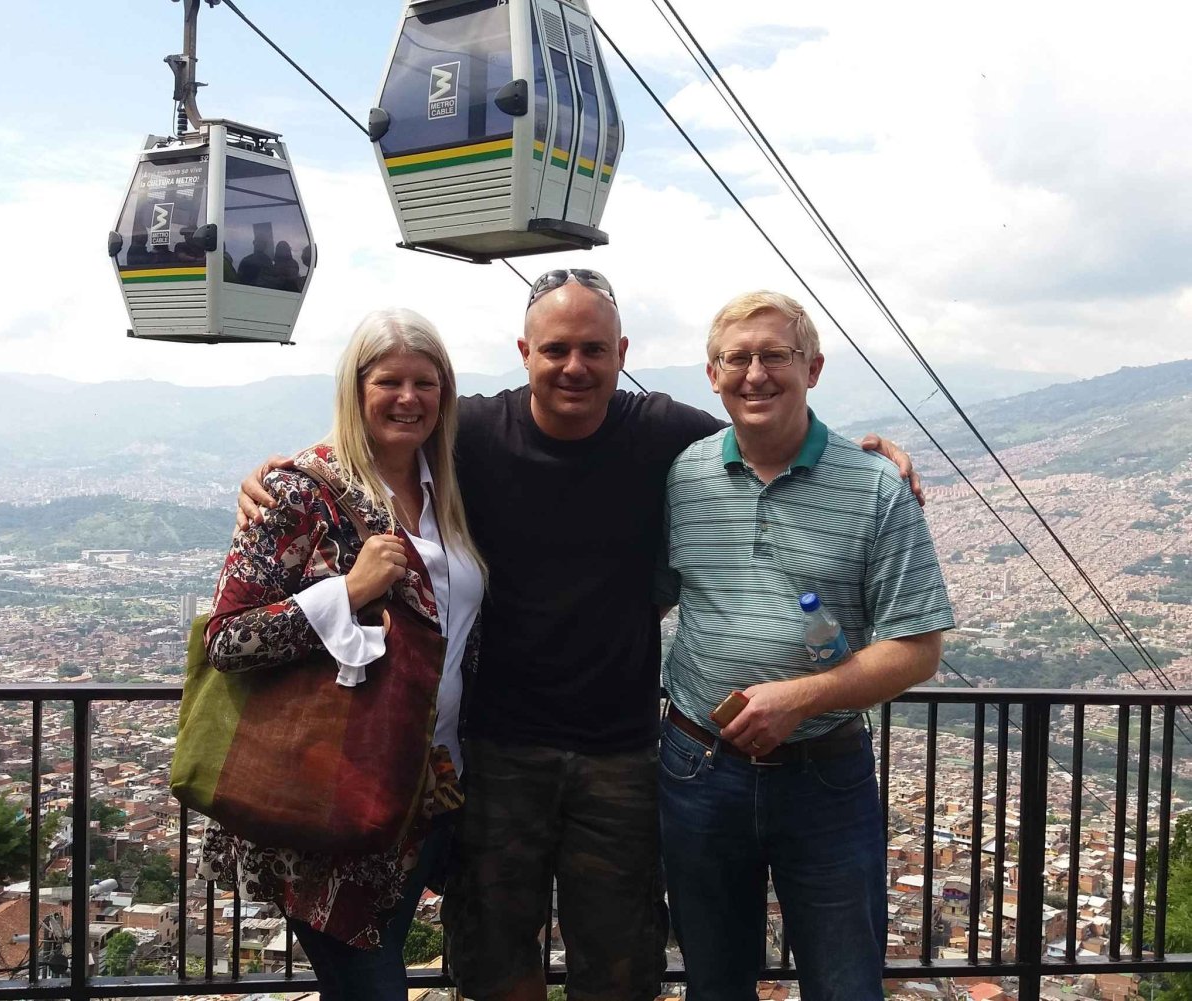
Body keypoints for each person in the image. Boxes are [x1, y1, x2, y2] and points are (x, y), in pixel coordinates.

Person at [236, 270, 921, 1001]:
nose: (575, 366)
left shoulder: (661, 432)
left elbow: (765, 430)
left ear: (621, 351)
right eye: (556, 348)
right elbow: (378, 433)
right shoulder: (471, 429)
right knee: (497, 958)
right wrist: (280, 474)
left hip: (621, 754)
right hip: (497, 750)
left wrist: (865, 457)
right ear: (525, 351)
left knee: (621, 965)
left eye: (593, 348)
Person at [656, 291, 955, 1001]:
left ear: (813, 368)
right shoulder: (682, 475)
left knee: (846, 983)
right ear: (712, 374)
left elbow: (917, 646)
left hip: (824, 771)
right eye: (737, 358)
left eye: (775, 356)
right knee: (712, 982)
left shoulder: (876, 484)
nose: (755, 374)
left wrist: (798, 697)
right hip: (698, 767)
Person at [200, 307, 486, 1001]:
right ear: (356, 390)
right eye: (390, 380)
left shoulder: (445, 489)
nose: (409, 398)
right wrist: (345, 593)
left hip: (432, 788)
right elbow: (225, 637)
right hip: (332, 799)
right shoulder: (304, 492)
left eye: (426, 382)